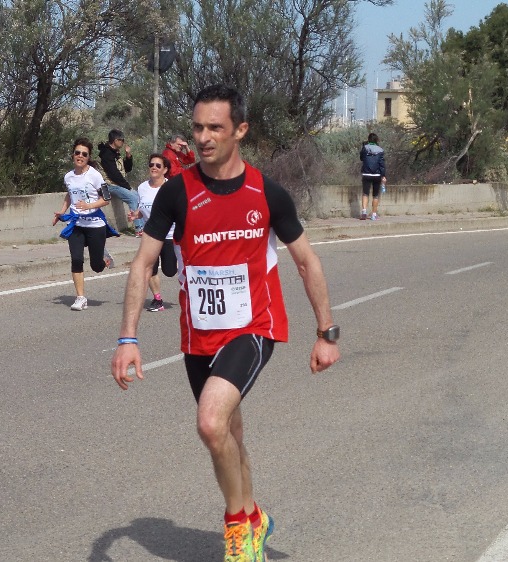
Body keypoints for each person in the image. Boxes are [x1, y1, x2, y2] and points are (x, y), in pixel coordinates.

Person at [111, 84, 341, 562]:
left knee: (210, 422)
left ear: (240, 130)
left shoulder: (266, 193)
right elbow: (142, 264)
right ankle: (254, 515)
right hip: (199, 337)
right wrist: (128, 337)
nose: (203, 137)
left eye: (215, 127)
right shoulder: (177, 192)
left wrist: (326, 333)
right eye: (198, 127)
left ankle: (237, 528)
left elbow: (306, 262)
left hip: (252, 328)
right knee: (228, 436)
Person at [55, 138, 112, 311]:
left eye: (84, 154)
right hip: (76, 224)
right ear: (73, 154)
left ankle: (104, 257)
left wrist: (89, 205)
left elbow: (106, 199)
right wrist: (62, 212)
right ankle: (80, 297)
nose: (80, 156)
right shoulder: (68, 176)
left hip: (95, 225)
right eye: (77, 153)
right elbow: (69, 195)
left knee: (96, 267)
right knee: (77, 259)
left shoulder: (94, 175)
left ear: (88, 157)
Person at [130, 153, 177, 311]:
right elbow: (142, 209)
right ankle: (158, 300)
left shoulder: (172, 188)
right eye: (151, 165)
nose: (154, 168)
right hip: (151, 235)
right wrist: (136, 215)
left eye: (158, 165)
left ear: (165, 170)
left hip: (170, 235)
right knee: (149, 267)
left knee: (170, 271)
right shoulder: (142, 188)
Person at [97, 129, 143, 235]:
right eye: (121, 140)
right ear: (115, 140)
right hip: (109, 184)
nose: (123, 142)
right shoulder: (106, 154)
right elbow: (114, 175)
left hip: (117, 184)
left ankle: (144, 226)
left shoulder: (116, 153)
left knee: (138, 196)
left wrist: (128, 156)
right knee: (132, 198)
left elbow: (127, 169)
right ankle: (139, 228)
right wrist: (127, 187)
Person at [359, 133, 386, 221]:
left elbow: (361, 158)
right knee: (375, 195)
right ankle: (374, 215)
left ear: (368, 139)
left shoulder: (365, 148)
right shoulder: (380, 150)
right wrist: (383, 175)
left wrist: (363, 146)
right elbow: (382, 164)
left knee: (365, 193)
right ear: (377, 140)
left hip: (366, 174)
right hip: (377, 175)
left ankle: (364, 212)